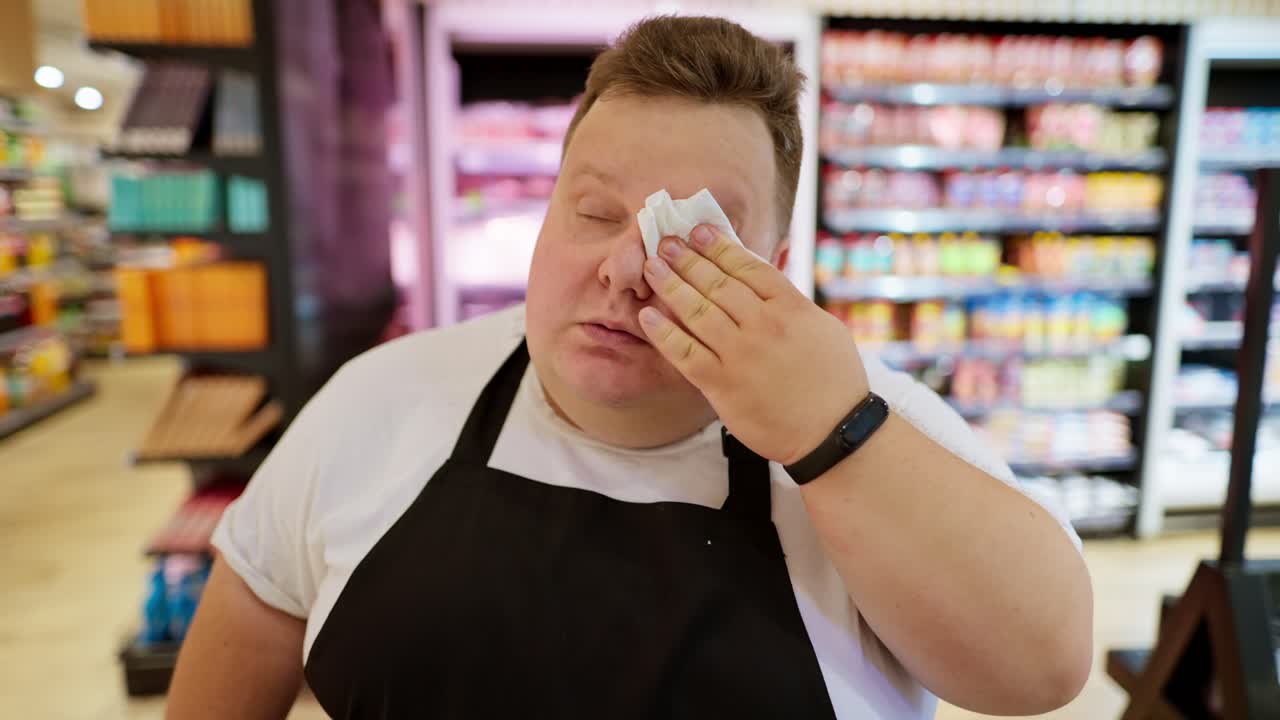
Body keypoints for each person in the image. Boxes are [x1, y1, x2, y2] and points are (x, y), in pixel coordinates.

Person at [167, 15, 1092, 720]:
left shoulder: (868, 423)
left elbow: (1043, 666)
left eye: (691, 238)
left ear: (770, 270)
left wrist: (834, 436)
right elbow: (255, 615)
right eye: (595, 212)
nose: (622, 270)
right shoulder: (380, 400)